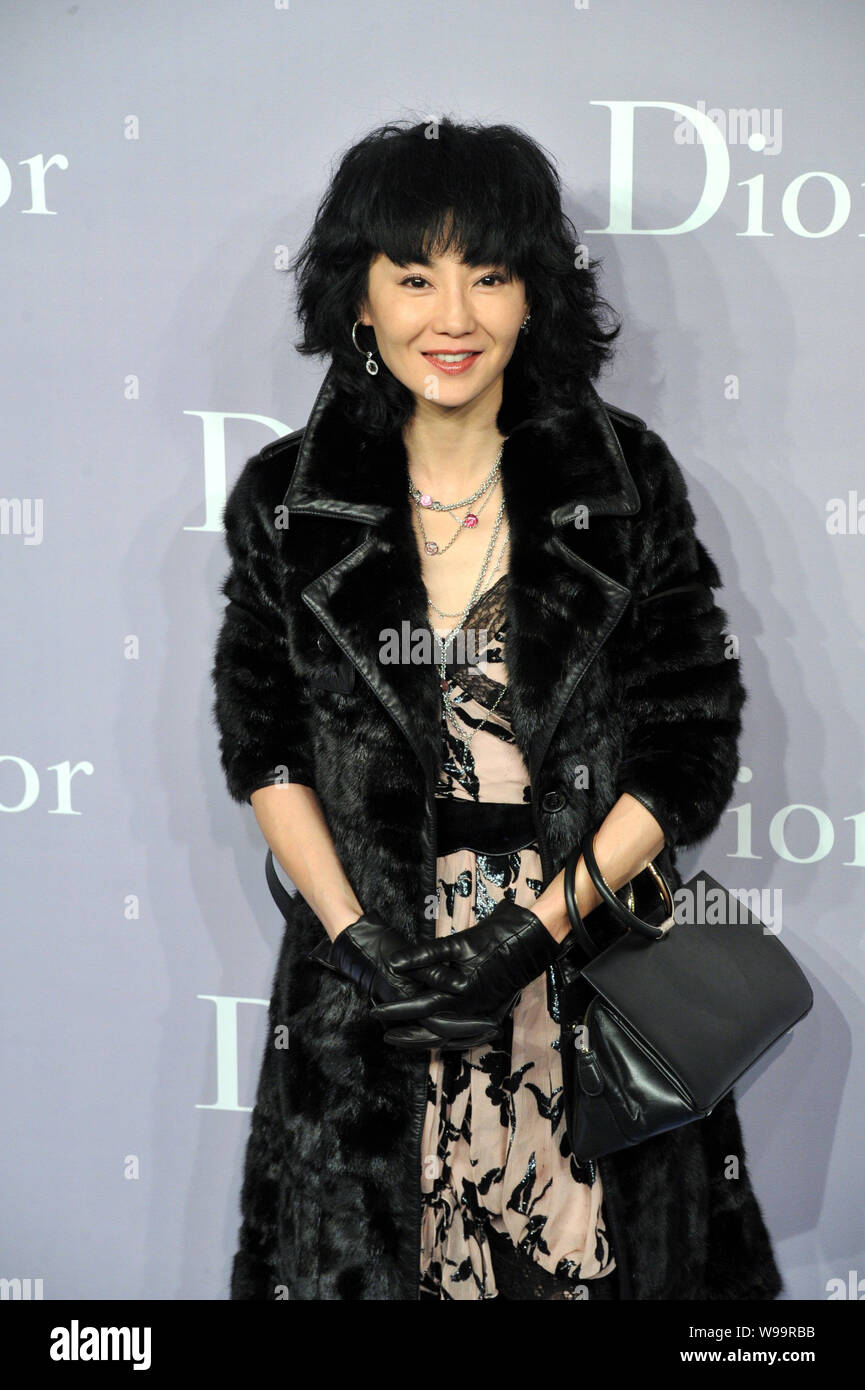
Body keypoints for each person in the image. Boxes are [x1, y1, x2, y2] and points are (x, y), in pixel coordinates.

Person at [211, 116, 783, 1301]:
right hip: (378, 999)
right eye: (414, 275)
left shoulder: (622, 484)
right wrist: (363, 948)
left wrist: (527, 935)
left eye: (490, 272)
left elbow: (686, 751)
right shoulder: (287, 498)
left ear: (534, 295)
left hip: (586, 973)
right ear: (359, 300)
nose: (453, 315)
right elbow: (264, 747)